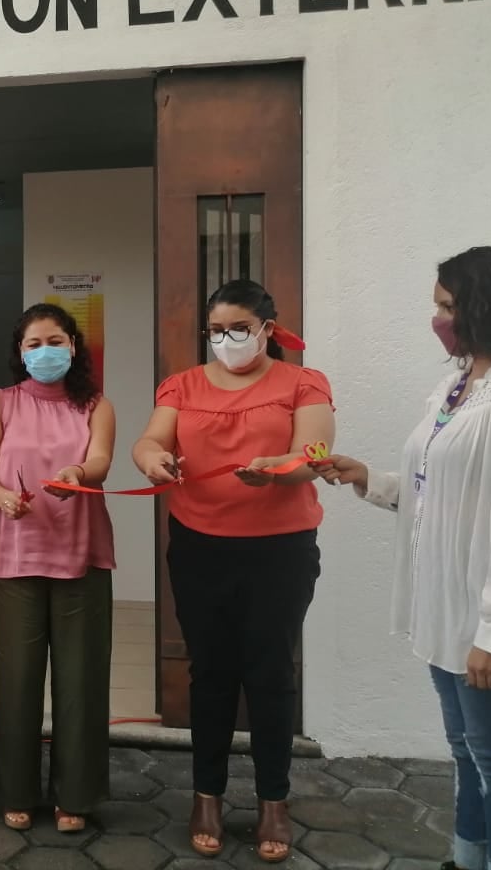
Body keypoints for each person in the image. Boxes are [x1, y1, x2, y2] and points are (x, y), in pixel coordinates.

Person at [315, 246, 491, 870]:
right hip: (443, 611)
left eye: (445, 306)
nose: (435, 319)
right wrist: (372, 480)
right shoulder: (459, 385)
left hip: (486, 624)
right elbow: (434, 486)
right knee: (465, 751)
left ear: (484, 306)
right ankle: (468, 857)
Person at [132, 279, 334, 863]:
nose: (227, 340)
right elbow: (149, 441)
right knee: (212, 672)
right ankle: (207, 797)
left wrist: (282, 468)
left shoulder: (303, 382)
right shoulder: (183, 384)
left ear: (268, 331)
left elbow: (316, 453)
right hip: (199, 549)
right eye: (217, 330)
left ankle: (274, 801)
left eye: (239, 329)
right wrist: (154, 461)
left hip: (281, 551)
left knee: (269, 671)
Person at [0, 303, 116, 834]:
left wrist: (78, 471)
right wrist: (4, 499)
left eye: (54, 340)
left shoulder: (96, 404)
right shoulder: (2, 403)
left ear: (74, 346)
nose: (44, 351)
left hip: (82, 555)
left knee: (81, 679)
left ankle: (75, 794)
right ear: (19, 353)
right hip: (15, 557)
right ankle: (17, 791)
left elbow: (100, 460)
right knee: (17, 679)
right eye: (33, 344)